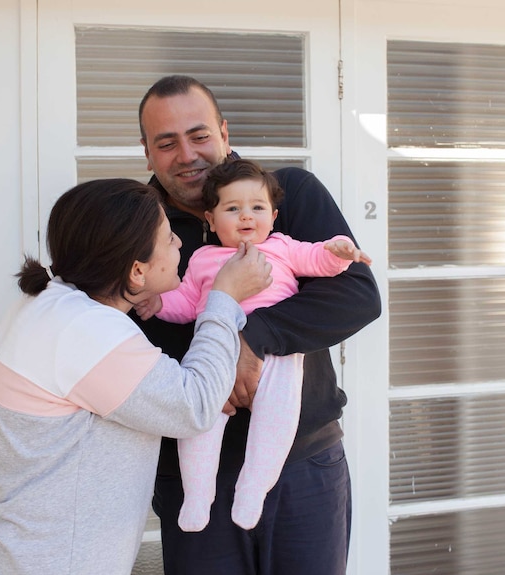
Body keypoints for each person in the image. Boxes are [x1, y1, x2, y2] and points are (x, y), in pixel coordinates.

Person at [0, 178, 272, 575]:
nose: (180, 245)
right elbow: (195, 406)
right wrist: (223, 297)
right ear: (137, 271)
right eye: (169, 238)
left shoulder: (46, 303)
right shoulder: (87, 331)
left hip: (7, 555)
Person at [136, 75, 382, 574]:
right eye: (167, 142)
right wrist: (209, 370)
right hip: (190, 466)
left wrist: (252, 339)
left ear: (224, 133)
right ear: (148, 153)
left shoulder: (285, 195)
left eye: (199, 134)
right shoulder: (135, 224)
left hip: (303, 461)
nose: (187, 154)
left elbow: (355, 294)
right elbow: (131, 324)